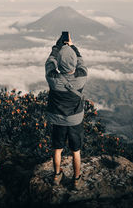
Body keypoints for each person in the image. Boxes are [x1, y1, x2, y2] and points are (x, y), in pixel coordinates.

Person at [45, 33, 88, 190]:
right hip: (75, 120)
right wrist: (72, 46)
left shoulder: (52, 79)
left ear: (59, 64)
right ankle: (77, 180)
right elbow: (81, 61)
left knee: (57, 149)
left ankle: (57, 176)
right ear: (74, 63)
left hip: (58, 120)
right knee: (76, 151)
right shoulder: (82, 77)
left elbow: (49, 62)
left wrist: (56, 48)